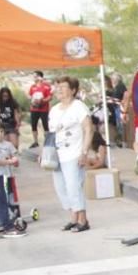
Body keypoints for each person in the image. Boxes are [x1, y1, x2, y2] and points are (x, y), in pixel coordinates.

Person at [49, 76, 94, 233]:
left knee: (74, 186)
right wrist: (45, 152)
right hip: (57, 155)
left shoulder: (78, 107)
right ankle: (73, 218)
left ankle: (83, 219)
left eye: (63, 87)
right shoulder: (54, 110)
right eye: (58, 87)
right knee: (61, 187)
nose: (59, 89)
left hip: (73, 153)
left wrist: (84, 152)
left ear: (73, 90)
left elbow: (88, 129)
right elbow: (51, 134)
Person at [0, 140, 25, 238]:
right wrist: (9, 161)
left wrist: (14, 160)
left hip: (5, 175)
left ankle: (7, 221)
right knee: (2, 202)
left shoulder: (7, 144)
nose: (0, 134)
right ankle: (7, 228)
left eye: (1, 131)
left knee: (7, 200)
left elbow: (15, 157)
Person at [27, 71, 52, 149]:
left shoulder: (46, 86)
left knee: (45, 126)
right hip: (34, 109)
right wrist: (32, 100)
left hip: (44, 109)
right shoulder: (32, 86)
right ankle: (35, 142)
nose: (34, 78)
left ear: (40, 77)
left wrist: (42, 100)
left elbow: (50, 97)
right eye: (33, 76)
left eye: (35, 76)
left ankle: (47, 142)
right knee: (33, 125)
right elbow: (29, 96)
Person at [108, 72, 127, 146]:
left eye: (113, 79)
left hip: (120, 108)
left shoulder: (120, 86)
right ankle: (120, 141)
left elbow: (122, 97)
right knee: (119, 125)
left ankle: (122, 141)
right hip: (117, 108)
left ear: (117, 79)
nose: (112, 80)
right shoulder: (116, 87)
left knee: (120, 125)